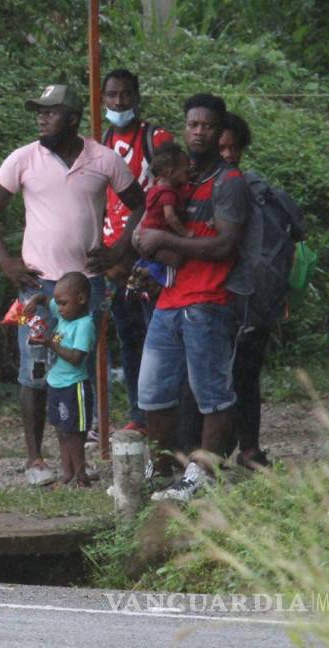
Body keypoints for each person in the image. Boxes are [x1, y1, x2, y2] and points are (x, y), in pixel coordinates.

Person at [0, 83, 146, 485]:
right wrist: (6, 262)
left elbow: (140, 203)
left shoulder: (102, 159)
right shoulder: (23, 159)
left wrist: (120, 249)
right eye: (38, 111)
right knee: (34, 370)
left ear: (72, 118)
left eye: (50, 112)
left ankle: (77, 466)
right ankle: (36, 460)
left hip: (88, 285)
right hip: (37, 287)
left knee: (77, 368)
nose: (41, 117)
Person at [132, 93, 250, 502]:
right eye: (193, 124)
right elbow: (148, 230)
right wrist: (143, 243)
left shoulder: (228, 182)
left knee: (212, 393)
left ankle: (203, 473)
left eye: (208, 125)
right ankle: (161, 468)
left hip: (208, 301)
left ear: (220, 132)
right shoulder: (180, 180)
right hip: (168, 299)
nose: (199, 131)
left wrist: (162, 238)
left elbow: (225, 246)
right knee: (152, 392)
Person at [219, 112, 304, 469]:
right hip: (252, 298)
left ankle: (219, 451)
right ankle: (248, 450)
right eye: (221, 147)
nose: (226, 154)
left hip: (232, 296)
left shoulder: (225, 187)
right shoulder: (256, 188)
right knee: (244, 374)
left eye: (232, 147)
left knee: (229, 374)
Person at [99, 69, 174, 436]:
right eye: (111, 95)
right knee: (129, 339)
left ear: (136, 96)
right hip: (113, 259)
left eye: (125, 95)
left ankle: (166, 413)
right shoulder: (102, 140)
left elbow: (170, 185)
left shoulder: (155, 137)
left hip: (148, 253)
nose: (118, 102)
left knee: (156, 335)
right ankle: (139, 415)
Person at [25, 272, 96, 487]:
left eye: (63, 303)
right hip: (57, 383)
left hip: (74, 385)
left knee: (74, 432)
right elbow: (48, 301)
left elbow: (76, 357)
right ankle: (67, 472)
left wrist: (50, 344)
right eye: (58, 303)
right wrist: (36, 300)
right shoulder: (65, 312)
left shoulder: (83, 324)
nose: (59, 308)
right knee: (61, 429)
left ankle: (81, 475)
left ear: (81, 300)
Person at [131, 142, 192, 289]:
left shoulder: (155, 187)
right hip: (159, 233)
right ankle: (152, 274)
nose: (189, 171)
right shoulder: (168, 194)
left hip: (144, 231)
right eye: (185, 170)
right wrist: (185, 234)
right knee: (172, 271)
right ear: (171, 172)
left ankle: (141, 269)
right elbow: (170, 217)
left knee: (152, 258)